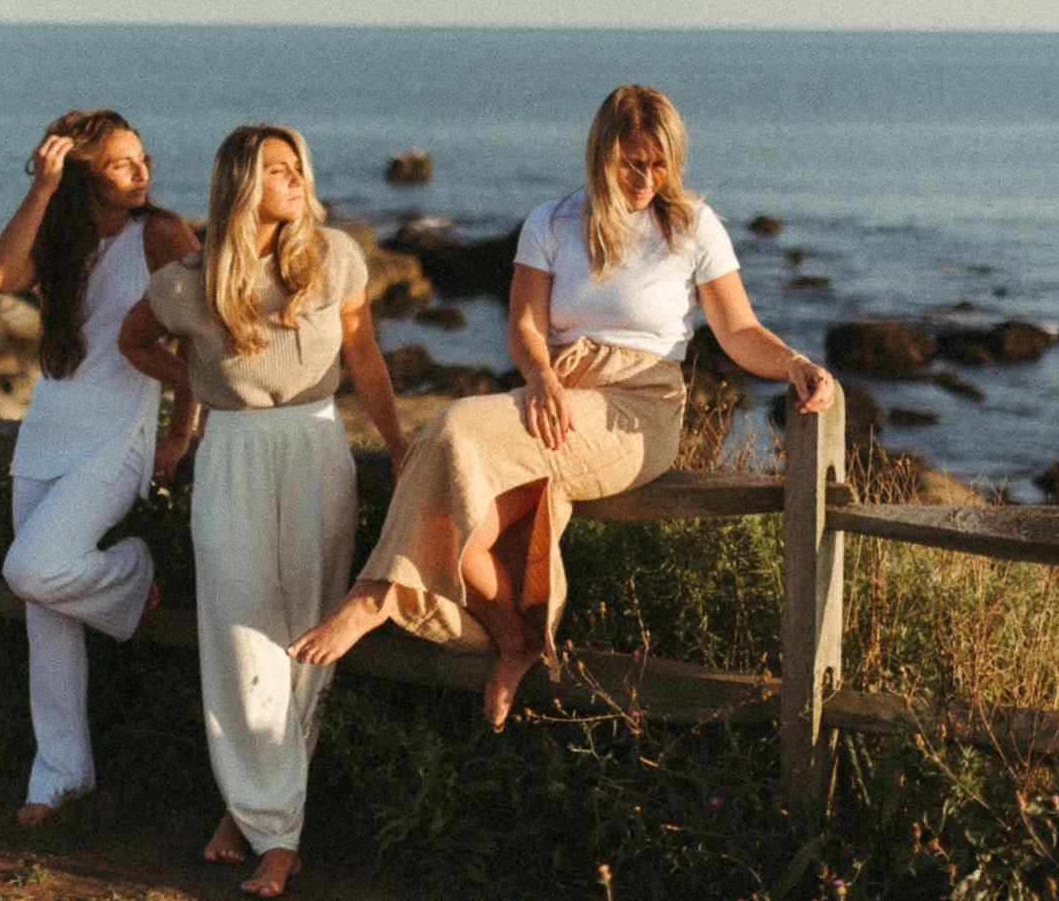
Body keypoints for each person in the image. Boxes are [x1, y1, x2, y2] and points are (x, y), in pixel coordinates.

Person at [289, 85, 837, 730]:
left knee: (454, 426)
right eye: (632, 163)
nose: (645, 179)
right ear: (601, 155)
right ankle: (519, 644)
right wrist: (544, 378)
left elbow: (739, 330)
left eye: (659, 164)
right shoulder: (551, 222)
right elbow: (524, 325)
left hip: (638, 408)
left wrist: (795, 362)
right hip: (558, 390)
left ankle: (375, 594)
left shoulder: (691, 227)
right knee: (456, 521)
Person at [118, 124, 408, 900]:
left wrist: (401, 446)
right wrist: (196, 381)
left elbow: (366, 359)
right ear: (242, 182)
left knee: (310, 638)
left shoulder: (336, 255)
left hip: (316, 444)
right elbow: (132, 339)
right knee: (242, 633)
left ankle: (261, 820)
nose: (296, 180)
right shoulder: (187, 281)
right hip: (233, 452)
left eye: (299, 168)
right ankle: (269, 826)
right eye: (278, 169)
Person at [0, 109, 200, 828]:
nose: (142, 171)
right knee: (44, 613)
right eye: (120, 162)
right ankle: (59, 773)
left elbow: (204, 331)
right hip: (48, 429)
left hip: (118, 435)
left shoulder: (162, 233)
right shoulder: (63, 231)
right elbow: (0, 274)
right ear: (83, 174)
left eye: (143, 157)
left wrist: (182, 429)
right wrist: (43, 186)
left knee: (31, 568)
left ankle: (132, 571)